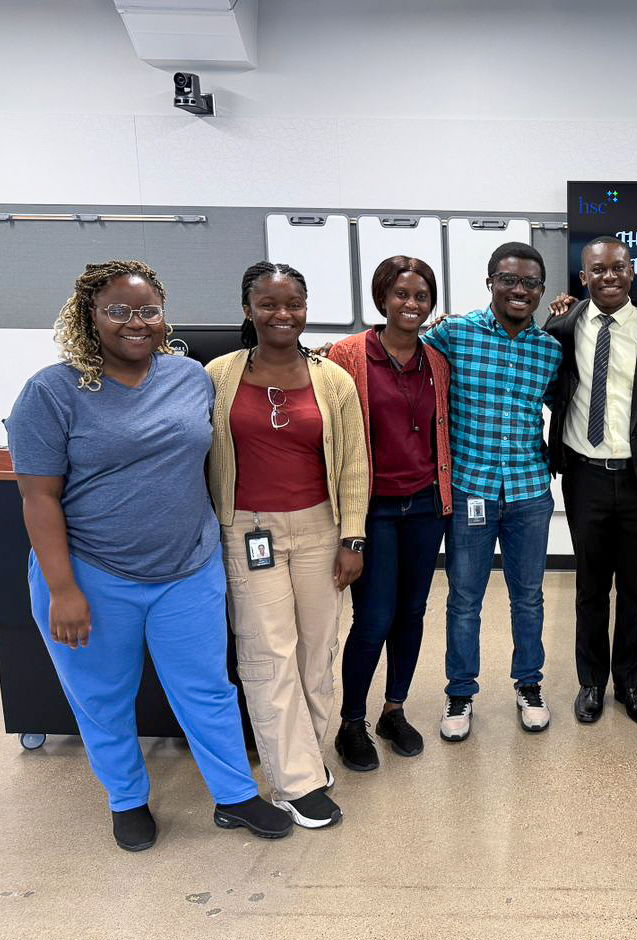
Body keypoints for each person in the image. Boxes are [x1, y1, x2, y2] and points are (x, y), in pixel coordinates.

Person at [6, 260, 291, 852]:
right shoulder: (52, 391)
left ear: (164, 316)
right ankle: (126, 799)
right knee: (102, 697)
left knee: (207, 689)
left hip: (188, 567)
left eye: (147, 311)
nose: (135, 322)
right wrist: (63, 590)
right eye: (118, 310)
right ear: (90, 316)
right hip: (91, 572)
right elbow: (38, 498)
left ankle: (235, 795)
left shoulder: (189, 378)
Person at [207, 261, 368, 829]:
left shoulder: (333, 380)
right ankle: (295, 783)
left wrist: (353, 536)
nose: (283, 314)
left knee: (316, 653)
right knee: (268, 653)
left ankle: (306, 755)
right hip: (248, 530)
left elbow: (354, 465)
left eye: (293, 303)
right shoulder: (219, 375)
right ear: (247, 309)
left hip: (321, 529)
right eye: (269, 304)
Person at [544, 236, 637, 727]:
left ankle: (629, 684)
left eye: (618, 267)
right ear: (583, 276)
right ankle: (591, 683)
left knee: (636, 590)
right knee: (589, 587)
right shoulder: (561, 328)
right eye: (598, 269)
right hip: (583, 477)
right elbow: (543, 385)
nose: (609, 276)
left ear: (632, 272)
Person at [421, 241, 561, 741]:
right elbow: (402, 356)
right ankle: (460, 692)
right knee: (464, 599)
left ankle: (529, 684)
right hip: (470, 490)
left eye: (530, 283)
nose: (519, 290)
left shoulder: (549, 350)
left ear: (541, 290)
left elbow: (566, 404)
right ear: (490, 283)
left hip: (528, 492)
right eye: (509, 280)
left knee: (529, 597)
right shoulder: (453, 334)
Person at [325, 256, 453, 772]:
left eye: (421, 296)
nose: (411, 304)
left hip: (425, 506)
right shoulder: (347, 355)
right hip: (372, 508)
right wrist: (347, 530)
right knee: (374, 618)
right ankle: (351, 722)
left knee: (412, 613)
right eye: (401, 294)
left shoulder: (436, 360)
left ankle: (393, 710)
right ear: (382, 298)